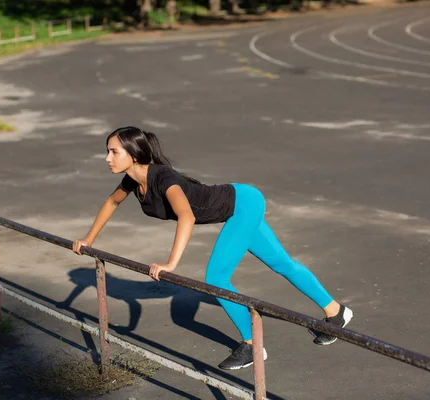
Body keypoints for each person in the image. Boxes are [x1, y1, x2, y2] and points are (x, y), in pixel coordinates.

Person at [72, 126, 353, 370]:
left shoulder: (164, 179)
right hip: (237, 207)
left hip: (242, 204)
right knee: (281, 263)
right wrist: (89, 240)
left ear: (133, 154)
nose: (107, 158)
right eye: (107, 151)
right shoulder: (133, 181)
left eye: (113, 151)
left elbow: (187, 216)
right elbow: (112, 202)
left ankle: (252, 346)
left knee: (217, 278)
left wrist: (171, 263)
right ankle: (336, 312)